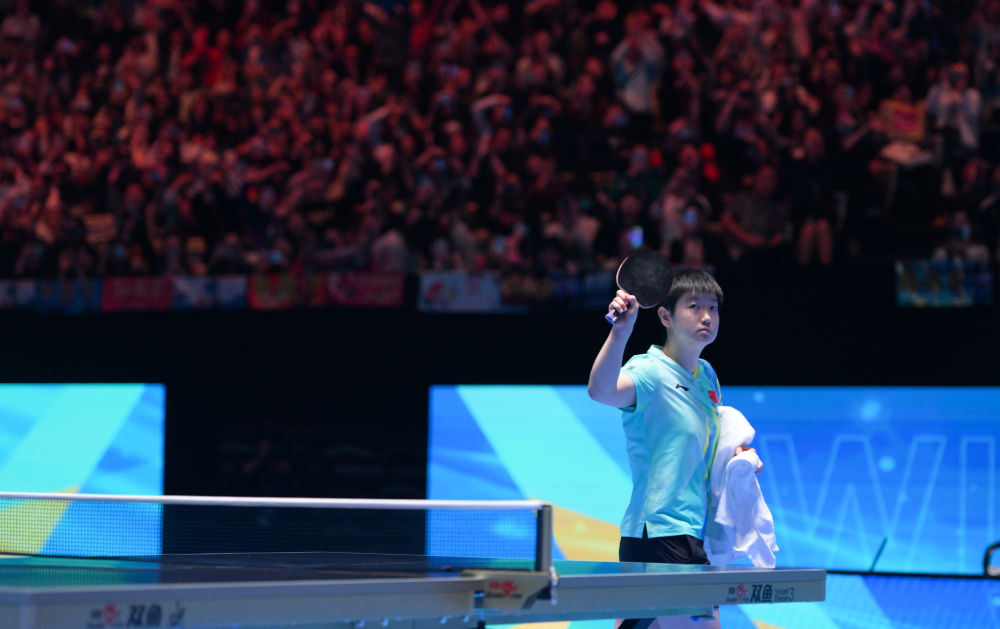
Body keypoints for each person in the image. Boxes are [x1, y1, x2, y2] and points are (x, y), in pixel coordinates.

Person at [587, 268, 759, 627]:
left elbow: (707, 443)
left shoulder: (707, 376)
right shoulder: (649, 371)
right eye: (694, 306)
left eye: (713, 307)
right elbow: (601, 391)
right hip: (659, 533)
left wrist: (737, 458)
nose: (706, 316)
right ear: (665, 316)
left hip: (691, 532)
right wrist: (620, 331)